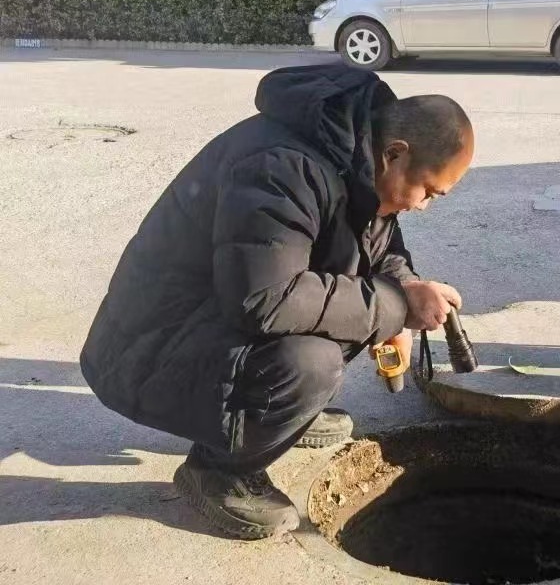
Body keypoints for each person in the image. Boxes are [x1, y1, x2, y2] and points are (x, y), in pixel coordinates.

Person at [81, 63, 474, 539]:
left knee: (357, 311)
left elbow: (380, 245)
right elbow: (265, 299)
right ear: (395, 153)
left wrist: (407, 289)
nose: (422, 205)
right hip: (145, 348)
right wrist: (394, 306)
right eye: (428, 191)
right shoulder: (282, 166)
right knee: (313, 361)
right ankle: (218, 471)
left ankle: (281, 415)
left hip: (206, 320)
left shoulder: (357, 155)